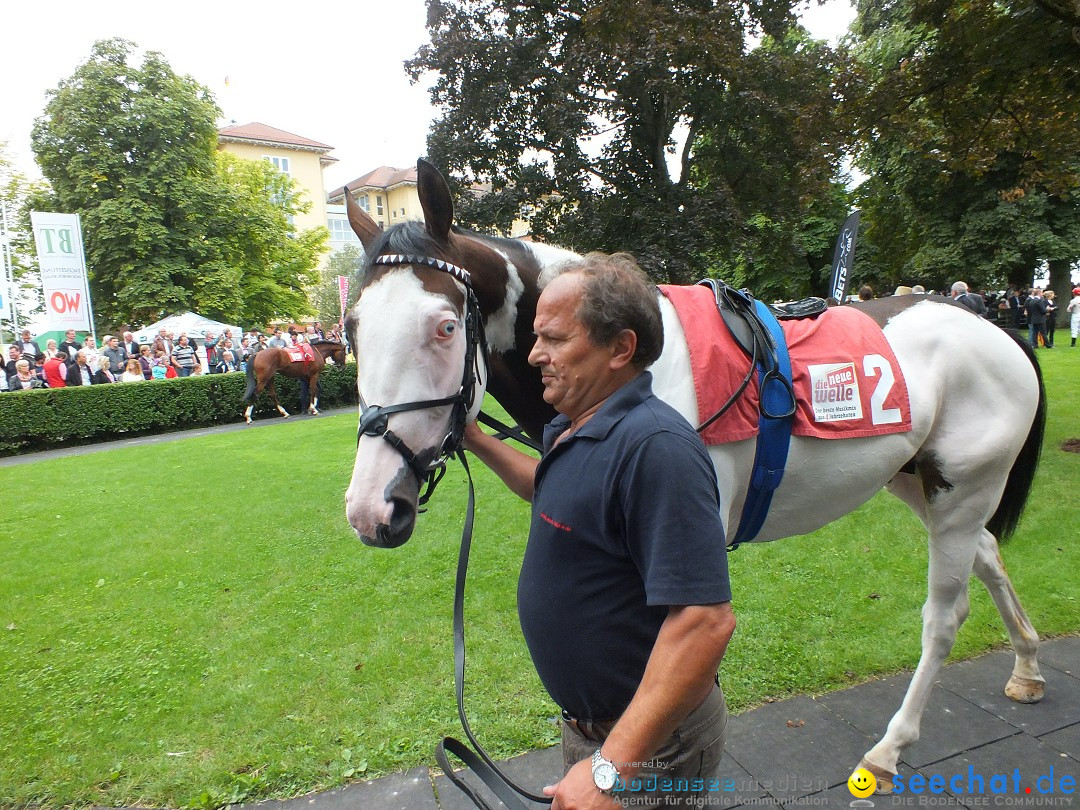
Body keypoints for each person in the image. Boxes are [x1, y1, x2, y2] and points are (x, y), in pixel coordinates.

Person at [462, 252, 735, 810]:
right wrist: (473, 437)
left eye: (556, 339)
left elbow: (705, 622)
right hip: (599, 732)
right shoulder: (576, 425)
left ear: (621, 349)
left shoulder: (655, 447)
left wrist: (611, 769)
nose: (534, 355)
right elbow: (551, 486)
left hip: (652, 744)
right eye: (536, 336)